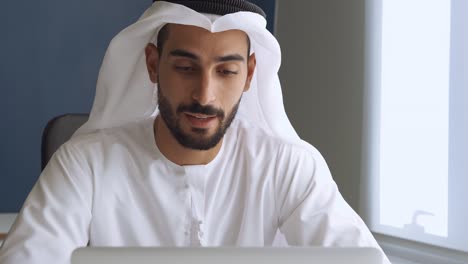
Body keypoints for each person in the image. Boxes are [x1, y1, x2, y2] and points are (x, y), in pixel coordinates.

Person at [0, 1, 391, 263]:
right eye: (186, 68)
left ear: (250, 74)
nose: (204, 95)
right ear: (153, 65)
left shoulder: (288, 166)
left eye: (226, 71)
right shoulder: (85, 163)